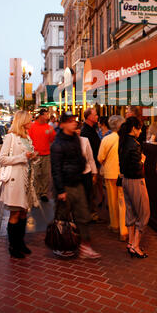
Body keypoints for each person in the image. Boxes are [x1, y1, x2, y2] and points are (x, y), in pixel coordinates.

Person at [51, 111, 101, 259]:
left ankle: (85, 245)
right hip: (65, 185)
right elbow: (56, 169)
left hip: (77, 182)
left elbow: (82, 158)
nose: (74, 123)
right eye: (71, 121)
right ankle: (61, 245)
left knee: (83, 215)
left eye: (75, 120)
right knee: (63, 219)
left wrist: (84, 172)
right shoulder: (57, 144)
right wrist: (60, 190)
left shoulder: (76, 140)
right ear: (63, 124)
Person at [0, 110, 39, 259]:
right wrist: (22, 157)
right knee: (15, 213)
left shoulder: (27, 137)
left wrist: (33, 157)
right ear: (22, 121)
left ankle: (20, 243)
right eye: (29, 119)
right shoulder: (10, 137)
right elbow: (2, 159)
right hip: (15, 181)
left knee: (23, 213)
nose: (32, 122)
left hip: (27, 180)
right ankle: (13, 246)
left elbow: (28, 158)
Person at [118, 116, 150, 258]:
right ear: (134, 128)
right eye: (139, 127)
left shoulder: (123, 141)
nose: (141, 130)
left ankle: (130, 242)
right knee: (144, 213)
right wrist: (142, 160)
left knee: (130, 212)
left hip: (125, 180)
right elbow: (136, 166)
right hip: (136, 181)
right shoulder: (135, 144)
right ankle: (136, 246)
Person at [98, 115, 127, 241]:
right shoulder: (126, 138)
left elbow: (100, 157)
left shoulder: (106, 139)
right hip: (123, 173)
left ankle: (114, 225)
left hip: (110, 173)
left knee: (112, 200)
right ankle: (124, 229)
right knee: (123, 201)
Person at [28, 108, 56, 202]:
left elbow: (52, 139)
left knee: (45, 175)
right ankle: (36, 192)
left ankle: (43, 193)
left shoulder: (49, 127)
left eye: (48, 115)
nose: (47, 117)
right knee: (35, 175)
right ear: (40, 115)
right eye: (46, 115)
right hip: (35, 155)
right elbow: (28, 141)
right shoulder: (32, 126)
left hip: (46, 154)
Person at [80, 108, 103, 222]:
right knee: (90, 192)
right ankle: (90, 214)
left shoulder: (92, 129)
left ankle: (91, 213)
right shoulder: (85, 132)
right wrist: (94, 170)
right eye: (95, 114)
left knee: (92, 191)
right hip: (90, 166)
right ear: (89, 117)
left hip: (94, 164)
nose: (97, 116)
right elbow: (89, 153)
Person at [76, 122, 98, 214]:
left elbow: (90, 157)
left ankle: (88, 213)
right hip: (75, 174)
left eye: (78, 129)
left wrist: (94, 172)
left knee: (88, 194)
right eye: (75, 129)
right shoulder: (67, 142)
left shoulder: (85, 140)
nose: (77, 131)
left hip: (86, 172)